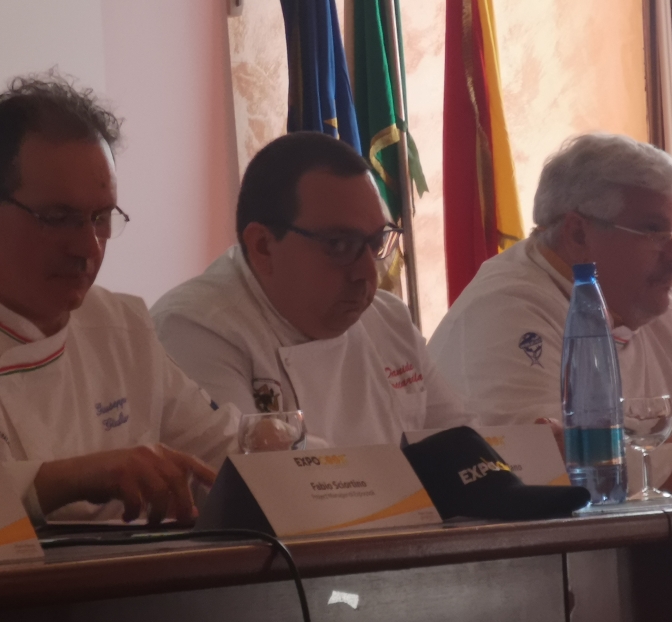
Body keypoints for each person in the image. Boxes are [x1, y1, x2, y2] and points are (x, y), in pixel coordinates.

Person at [428, 133, 672, 493]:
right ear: (578, 233)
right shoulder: (504, 313)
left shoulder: (659, 307)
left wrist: (653, 452)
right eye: (654, 231)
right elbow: (559, 469)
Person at [0, 75, 238, 523]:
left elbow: (221, 448)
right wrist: (72, 478)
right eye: (58, 217)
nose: (88, 247)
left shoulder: (120, 326)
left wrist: (285, 447)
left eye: (101, 217)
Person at [151, 132, 475, 448]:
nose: (367, 274)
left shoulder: (389, 321)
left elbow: (464, 448)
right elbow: (255, 475)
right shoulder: (193, 328)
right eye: (339, 245)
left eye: (376, 243)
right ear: (263, 246)